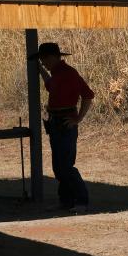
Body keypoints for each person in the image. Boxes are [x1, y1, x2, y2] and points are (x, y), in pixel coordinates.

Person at [28, 42, 94, 213]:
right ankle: (65, 201)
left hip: (65, 121)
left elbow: (88, 95)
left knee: (65, 165)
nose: (43, 63)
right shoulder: (57, 73)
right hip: (56, 122)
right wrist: (40, 70)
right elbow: (50, 85)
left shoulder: (69, 73)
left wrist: (78, 118)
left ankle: (81, 201)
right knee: (59, 166)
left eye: (44, 60)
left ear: (52, 57)